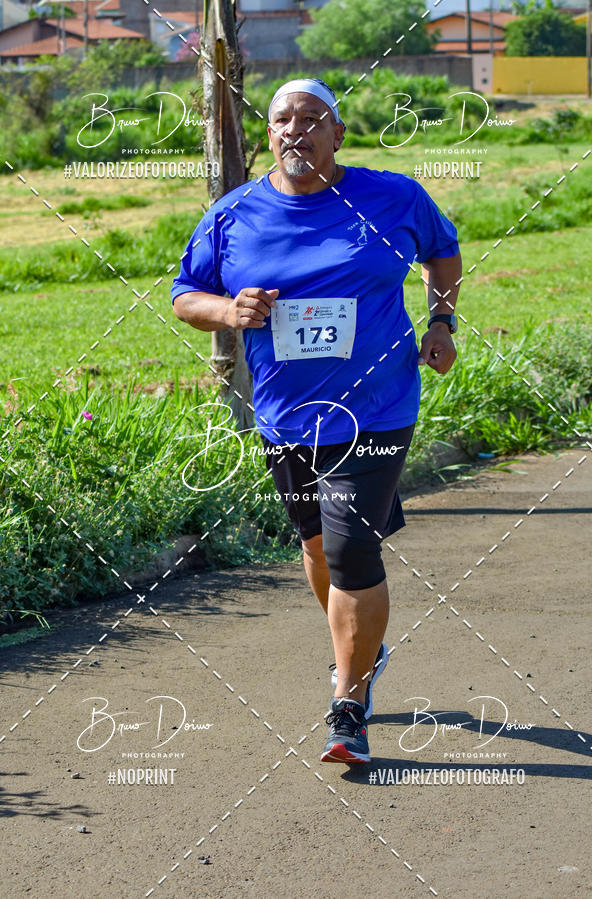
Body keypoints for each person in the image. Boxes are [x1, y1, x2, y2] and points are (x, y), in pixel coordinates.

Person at [171, 77, 461, 765]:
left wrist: (442, 320)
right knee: (318, 551)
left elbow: (441, 250)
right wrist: (228, 311)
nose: (294, 130)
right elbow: (186, 295)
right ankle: (362, 645)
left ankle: (348, 705)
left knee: (352, 549)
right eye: (281, 120)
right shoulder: (233, 214)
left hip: (378, 407)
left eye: (311, 119)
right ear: (269, 134)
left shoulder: (393, 196)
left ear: (338, 133)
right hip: (287, 418)